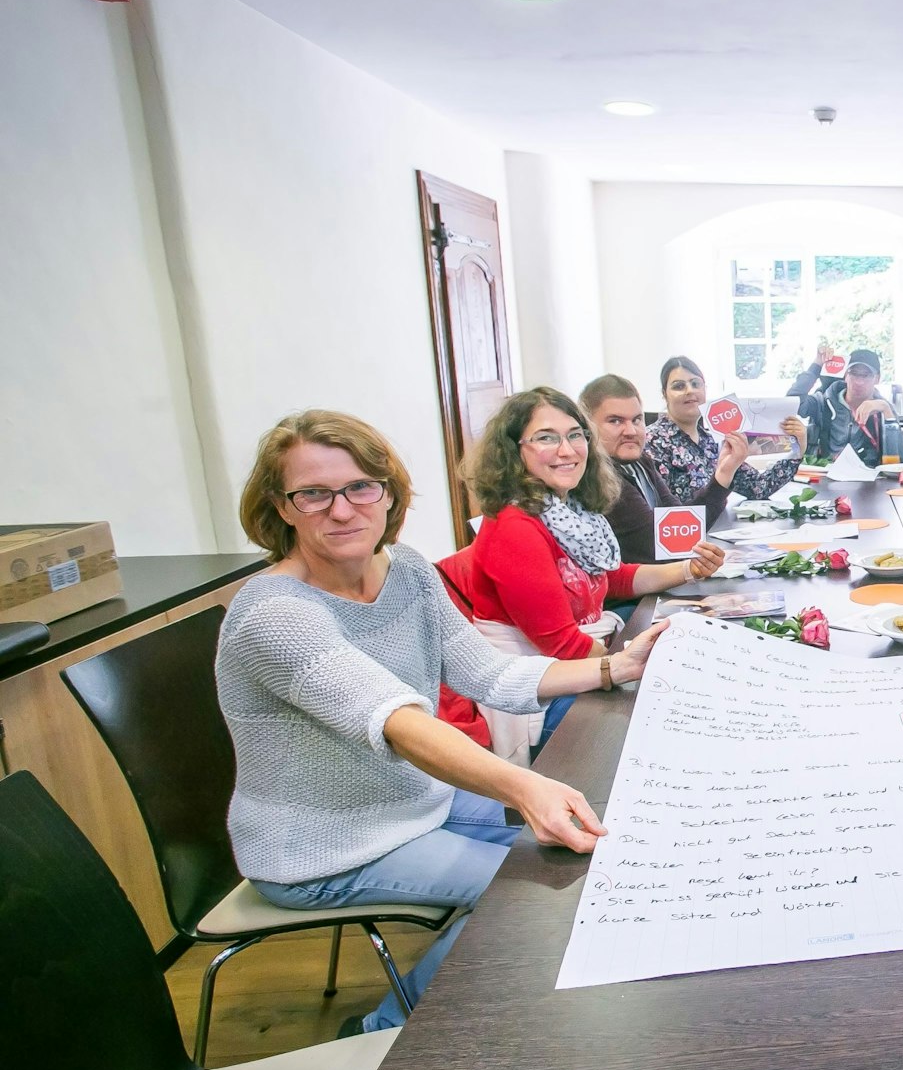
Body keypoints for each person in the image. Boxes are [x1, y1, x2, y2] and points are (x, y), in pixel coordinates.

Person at [216, 409, 672, 1034]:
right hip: (326, 848)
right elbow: (398, 721)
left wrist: (615, 668)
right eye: (313, 494)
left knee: (586, 851)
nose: (342, 510)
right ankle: (380, 1036)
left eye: (359, 487)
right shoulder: (274, 614)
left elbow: (487, 674)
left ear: (387, 491)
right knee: (536, 898)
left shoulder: (402, 570)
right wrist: (525, 786)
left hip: (416, 805)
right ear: (282, 506)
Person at [440, 386, 724, 762]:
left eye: (576, 435)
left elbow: (612, 579)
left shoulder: (567, 509)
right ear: (513, 450)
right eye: (546, 438)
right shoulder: (515, 527)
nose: (568, 450)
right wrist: (634, 662)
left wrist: (688, 569)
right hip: (541, 697)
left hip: (581, 661)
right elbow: (564, 648)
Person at [643, 357, 808, 522]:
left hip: (719, 535)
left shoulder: (712, 440)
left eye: (696, 384)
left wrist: (797, 449)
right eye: (679, 386)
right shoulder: (652, 441)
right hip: (685, 537)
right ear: (665, 394)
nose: (689, 391)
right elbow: (666, 514)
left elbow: (758, 488)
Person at [579, 373, 666, 565]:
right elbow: (659, 545)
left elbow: (684, 519)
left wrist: (724, 475)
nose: (631, 431)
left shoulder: (641, 462)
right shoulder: (599, 476)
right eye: (615, 421)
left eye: (636, 420)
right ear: (587, 426)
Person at [803, 349, 903, 466]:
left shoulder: (883, 408)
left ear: (877, 379)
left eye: (866, 375)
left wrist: (886, 410)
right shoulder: (823, 401)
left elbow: (902, 459)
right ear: (845, 375)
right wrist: (816, 366)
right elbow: (791, 404)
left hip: (869, 479)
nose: (859, 382)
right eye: (854, 373)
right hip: (824, 476)